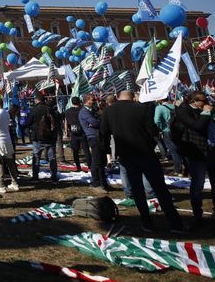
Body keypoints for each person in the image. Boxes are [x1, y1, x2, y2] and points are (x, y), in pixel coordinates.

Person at [101, 90, 185, 233]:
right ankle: (174, 222)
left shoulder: (109, 111)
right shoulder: (141, 108)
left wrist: (107, 151)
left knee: (137, 190)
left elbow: (103, 133)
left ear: (119, 97)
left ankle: (146, 222)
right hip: (145, 153)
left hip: (126, 154)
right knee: (160, 188)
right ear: (133, 97)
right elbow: (152, 131)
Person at [172, 91, 215, 226]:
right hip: (198, 153)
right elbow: (198, 126)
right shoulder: (183, 112)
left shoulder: (210, 110)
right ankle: (197, 215)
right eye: (203, 101)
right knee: (197, 185)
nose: (206, 103)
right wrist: (205, 113)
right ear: (194, 101)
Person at [79, 94, 108, 191]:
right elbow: (95, 122)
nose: (94, 101)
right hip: (93, 137)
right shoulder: (84, 112)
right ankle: (96, 182)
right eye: (92, 100)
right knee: (96, 160)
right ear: (87, 101)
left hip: (99, 136)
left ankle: (103, 181)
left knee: (102, 161)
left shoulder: (93, 110)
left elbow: (99, 120)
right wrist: (98, 121)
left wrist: (98, 121)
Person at [26, 96, 58, 182]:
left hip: (38, 136)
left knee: (36, 156)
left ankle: (35, 176)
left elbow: (27, 122)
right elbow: (56, 122)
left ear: (37, 100)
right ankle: (54, 176)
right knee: (52, 157)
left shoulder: (34, 110)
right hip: (50, 136)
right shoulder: (50, 109)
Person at [154, 98, 183, 175]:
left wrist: (158, 129)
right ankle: (185, 168)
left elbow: (156, 120)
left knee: (173, 150)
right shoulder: (174, 106)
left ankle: (178, 170)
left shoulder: (159, 107)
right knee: (179, 149)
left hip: (167, 130)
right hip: (178, 130)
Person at [65, 97, 89, 171]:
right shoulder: (83, 110)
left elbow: (66, 121)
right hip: (82, 131)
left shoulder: (68, 111)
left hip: (73, 131)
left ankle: (78, 166)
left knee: (75, 151)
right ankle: (90, 165)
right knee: (86, 150)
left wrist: (66, 130)